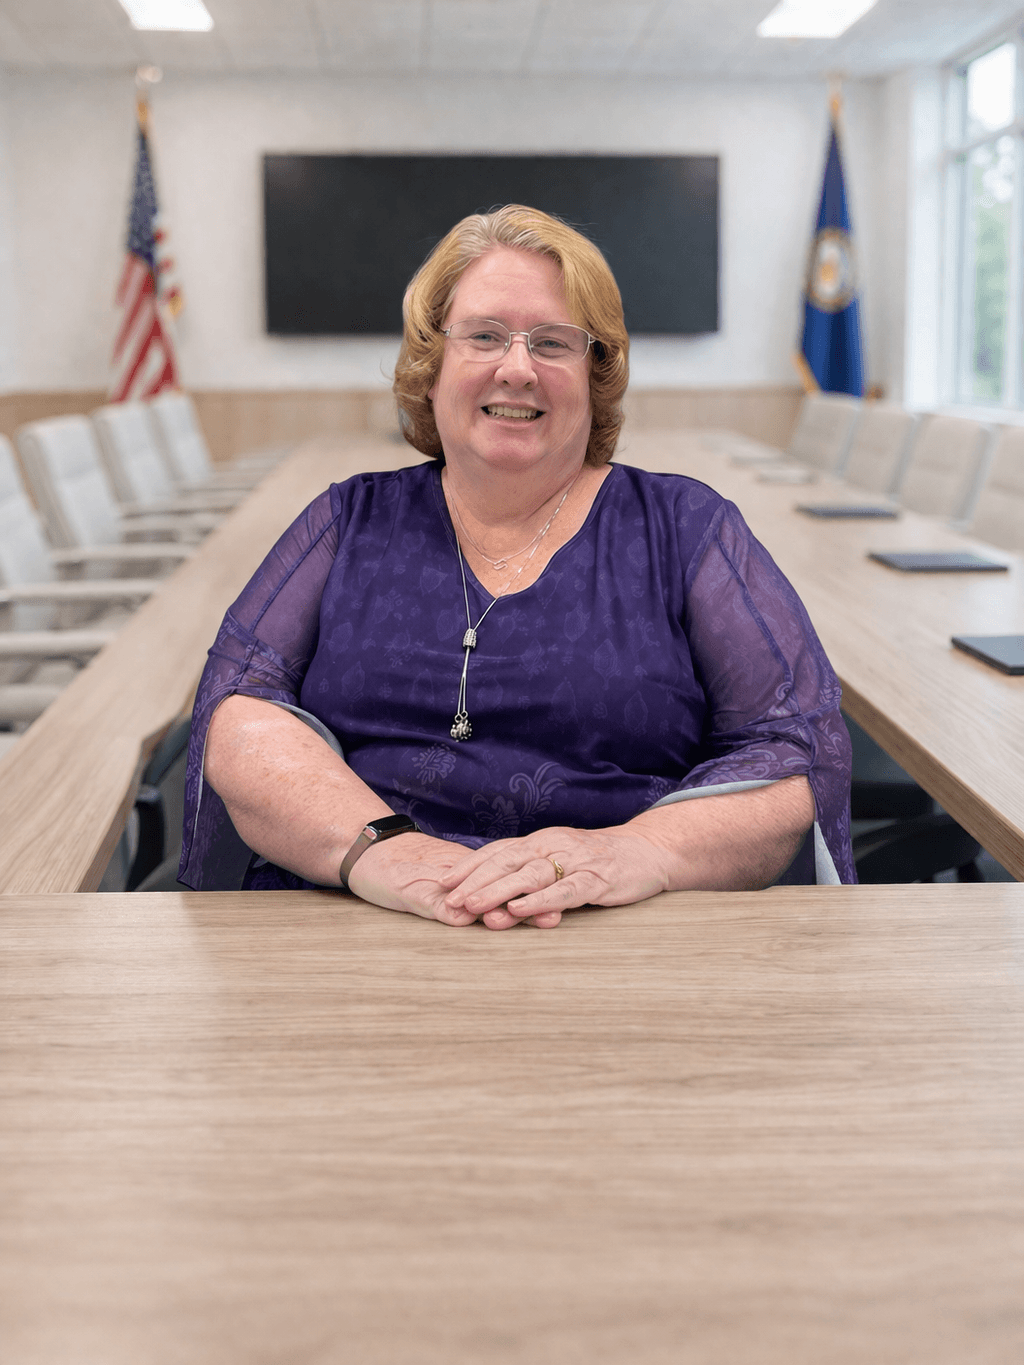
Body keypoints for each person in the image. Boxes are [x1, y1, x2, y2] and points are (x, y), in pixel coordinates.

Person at [180, 204, 854, 926]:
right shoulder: (347, 522)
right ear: (431, 367)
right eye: (485, 336)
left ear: (596, 375)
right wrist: (381, 849)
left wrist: (642, 851)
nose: (518, 367)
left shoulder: (686, 528)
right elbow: (239, 706)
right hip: (354, 925)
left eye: (554, 343)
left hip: (621, 933)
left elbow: (794, 746)